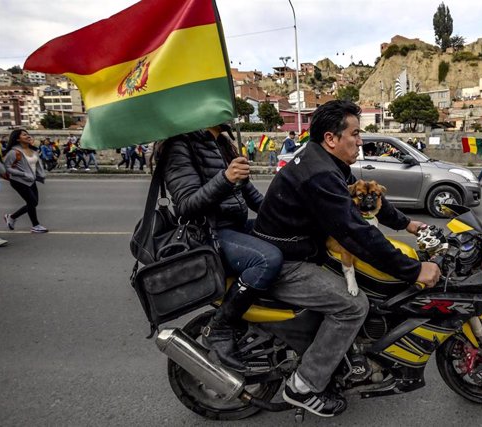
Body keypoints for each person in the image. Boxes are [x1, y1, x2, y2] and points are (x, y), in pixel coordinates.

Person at [253, 100, 441, 417]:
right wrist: (412, 270)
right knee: (354, 305)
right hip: (287, 263)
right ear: (331, 138)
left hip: (300, 250)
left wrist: (406, 223)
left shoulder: (326, 164)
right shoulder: (320, 174)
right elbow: (355, 233)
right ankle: (302, 385)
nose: (359, 140)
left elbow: (367, 195)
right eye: (354, 133)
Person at [161, 125, 283, 370]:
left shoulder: (222, 144)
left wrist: (289, 214)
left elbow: (253, 198)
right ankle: (220, 326)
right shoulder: (180, 145)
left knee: (291, 238)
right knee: (267, 258)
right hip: (209, 235)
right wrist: (226, 178)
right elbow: (186, 206)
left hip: (234, 226)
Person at [2, 129, 48, 233]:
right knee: (32, 202)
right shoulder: (14, 152)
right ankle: (35, 225)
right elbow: (7, 168)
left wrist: (41, 174)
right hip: (18, 181)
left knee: (33, 203)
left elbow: (36, 165)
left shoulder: (33, 150)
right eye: (24, 135)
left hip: (31, 180)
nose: (27, 136)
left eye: (27, 134)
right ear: (18, 139)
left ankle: (12, 217)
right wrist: (23, 174)